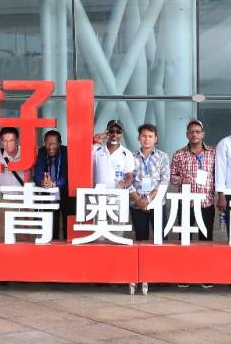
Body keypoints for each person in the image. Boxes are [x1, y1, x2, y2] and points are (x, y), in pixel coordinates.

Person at [128, 124, 169, 295]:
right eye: (144, 136)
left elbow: (164, 181)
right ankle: (142, 274)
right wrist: (139, 200)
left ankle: (160, 276)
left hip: (157, 203)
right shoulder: (131, 157)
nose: (147, 139)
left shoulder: (163, 157)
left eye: (150, 136)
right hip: (136, 204)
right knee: (141, 238)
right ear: (139, 138)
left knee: (161, 238)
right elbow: (127, 181)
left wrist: (148, 200)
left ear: (155, 139)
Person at [170, 119, 216, 242]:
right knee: (185, 239)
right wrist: (181, 180)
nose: (194, 134)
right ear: (187, 135)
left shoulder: (213, 153)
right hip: (186, 203)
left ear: (203, 134)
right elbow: (171, 177)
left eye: (197, 131)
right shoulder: (179, 154)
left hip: (206, 203)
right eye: (191, 132)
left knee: (206, 239)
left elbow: (219, 175)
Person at [33, 130, 73, 240]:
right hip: (49, 194)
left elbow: (67, 174)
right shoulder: (42, 152)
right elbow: (38, 171)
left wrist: (55, 184)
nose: (50, 147)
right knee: (51, 224)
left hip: (65, 193)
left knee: (67, 223)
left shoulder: (66, 152)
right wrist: (42, 182)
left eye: (54, 143)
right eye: (47, 143)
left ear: (60, 143)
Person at [92, 119, 134, 189]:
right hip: (97, 193)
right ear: (107, 133)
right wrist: (96, 141)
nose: (115, 135)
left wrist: (124, 184)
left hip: (117, 194)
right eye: (111, 131)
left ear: (122, 134)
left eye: (118, 132)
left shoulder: (127, 153)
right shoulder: (97, 149)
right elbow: (83, 156)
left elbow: (129, 176)